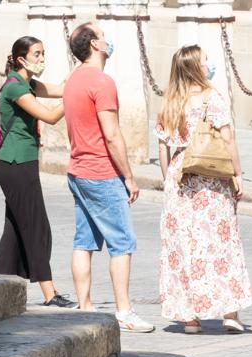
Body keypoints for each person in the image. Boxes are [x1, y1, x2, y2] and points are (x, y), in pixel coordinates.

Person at [62, 23, 154, 333]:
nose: (107, 38)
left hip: (77, 170)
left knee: (84, 241)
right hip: (102, 172)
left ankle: (84, 305)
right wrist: (128, 176)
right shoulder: (102, 82)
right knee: (122, 243)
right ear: (95, 45)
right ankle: (124, 311)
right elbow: (112, 134)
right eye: (102, 35)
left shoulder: (73, 80)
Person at [155, 46, 252, 334]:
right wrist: (237, 174)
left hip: (180, 177)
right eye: (206, 60)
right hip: (210, 177)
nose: (209, 64)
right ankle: (230, 313)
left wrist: (168, 180)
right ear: (197, 67)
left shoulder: (170, 102)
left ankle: (189, 318)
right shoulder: (213, 99)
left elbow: (163, 147)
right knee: (221, 244)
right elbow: (228, 139)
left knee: (183, 246)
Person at [0, 36, 75, 308]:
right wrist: (76, 94)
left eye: (43, 54)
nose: (42, 59)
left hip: (20, 163)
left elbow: (62, 89)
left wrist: (82, 70)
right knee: (36, 227)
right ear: (21, 59)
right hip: (15, 164)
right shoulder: (15, 88)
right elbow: (50, 116)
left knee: (15, 229)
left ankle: (0, 289)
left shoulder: (28, 84)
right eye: (37, 54)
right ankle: (50, 294)